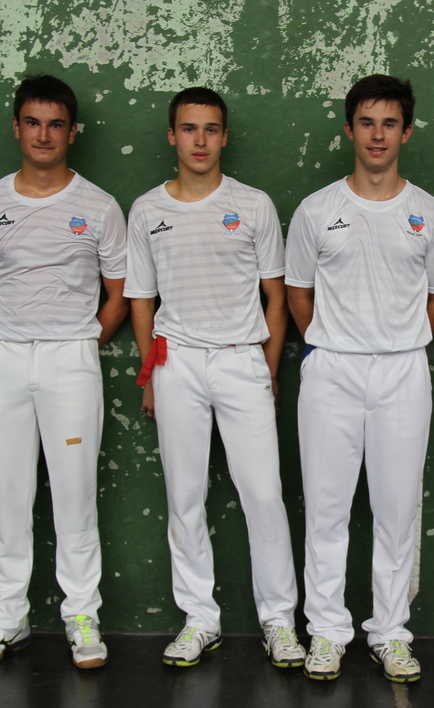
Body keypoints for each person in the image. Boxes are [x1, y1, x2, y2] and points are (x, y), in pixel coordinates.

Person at [285, 74, 434, 683]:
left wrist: (398, 339)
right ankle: (326, 631)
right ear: (349, 130)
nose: (377, 135)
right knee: (326, 509)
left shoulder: (430, 214)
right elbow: (298, 294)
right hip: (330, 368)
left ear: (405, 132)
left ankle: (390, 633)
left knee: (397, 510)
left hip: (404, 371)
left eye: (389, 123)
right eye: (366, 122)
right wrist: (331, 341)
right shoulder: (316, 210)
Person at [125, 87, 305, 669]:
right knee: (185, 498)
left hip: (241, 361)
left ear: (224, 137)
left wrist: (266, 370)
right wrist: (150, 375)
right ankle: (200, 619)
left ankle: (279, 622)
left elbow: (276, 297)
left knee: (264, 495)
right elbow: (141, 300)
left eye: (210, 129)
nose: (199, 140)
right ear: (172, 136)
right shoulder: (146, 210)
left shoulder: (253, 205)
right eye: (188, 128)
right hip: (176, 363)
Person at [0, 75, 128, 669]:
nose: (43, 135)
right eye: (33, 122)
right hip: (1, 358)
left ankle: (83, 617)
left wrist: (78, 342)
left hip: (70, 359)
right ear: (17, 128)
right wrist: (0, 333)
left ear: (72, 132)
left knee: (75, 496)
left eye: (56, 124)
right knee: (9, 495)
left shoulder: (99, 206)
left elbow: (119, 294)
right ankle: (8, 618)